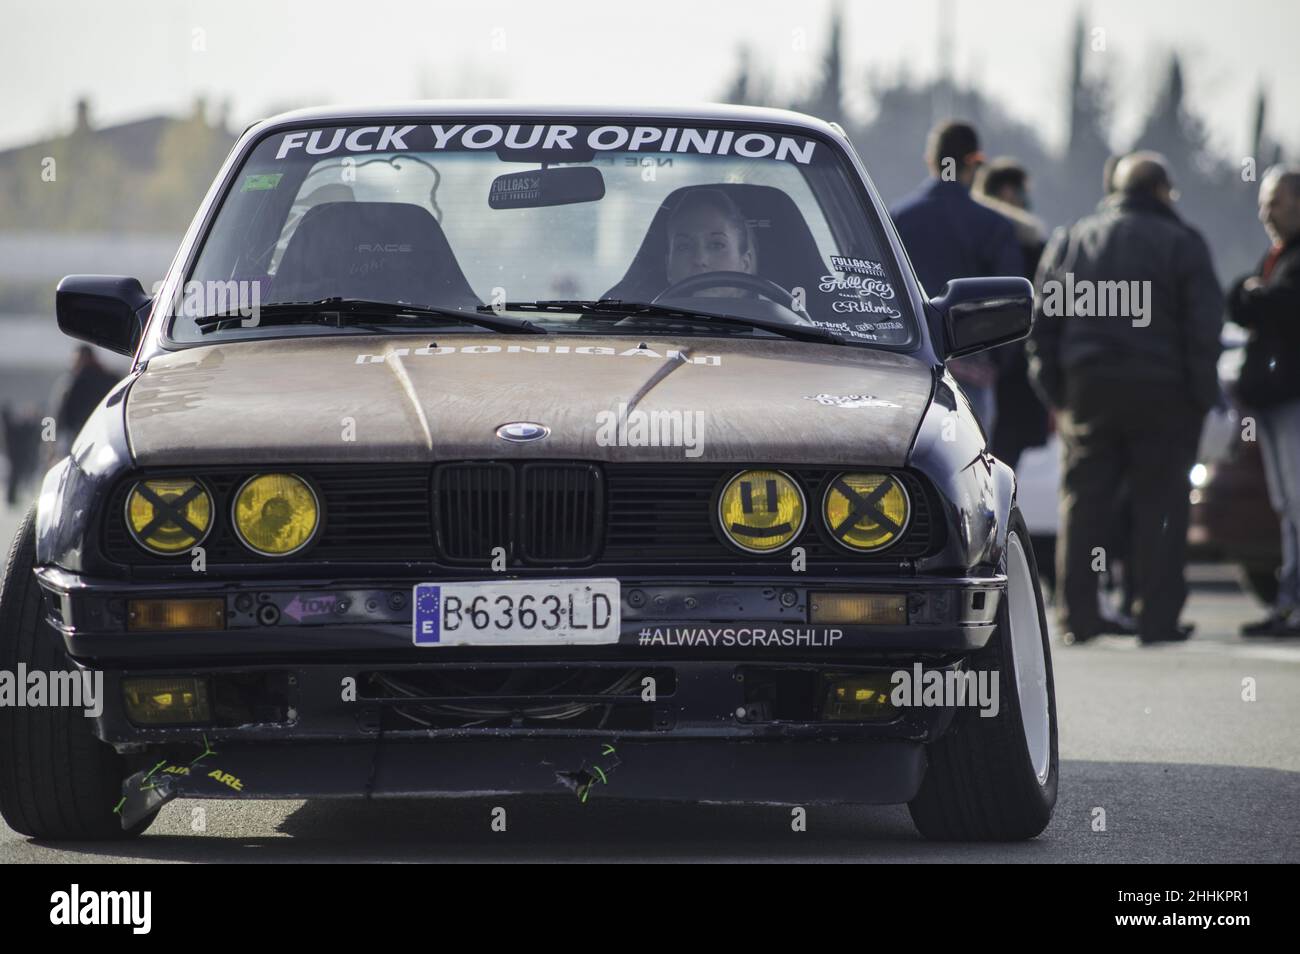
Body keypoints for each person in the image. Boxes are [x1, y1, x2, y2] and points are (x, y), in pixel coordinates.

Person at [1027, 151, 1223, 644]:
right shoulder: (1183, 243)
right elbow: (1204, 329)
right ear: (1162, 191)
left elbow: (1042, 325)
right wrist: (1201, 398)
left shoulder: (1072, 240)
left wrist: (1058, 393)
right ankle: (1156, 619)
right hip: (1163, 392)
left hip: (1089, 389)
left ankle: (1079, 617)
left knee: (1083, 502)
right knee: (1161, 504)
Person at [891, 121, 1022, 437]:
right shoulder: (994, 227)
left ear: (929, 160)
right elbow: (1012, 306)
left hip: (906, 372)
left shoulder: (894, 219)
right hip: (972, 378)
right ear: (975, 162)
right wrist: (995, 365)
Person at [1229, 166, 1300, 637]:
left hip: (1292, 398)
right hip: (1274, 402)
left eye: (1274, 201)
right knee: (1287, 503)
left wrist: (1255, 296)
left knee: (1297, 500)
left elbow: (1278, 307)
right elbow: (1240, 301)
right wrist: (1250, 294)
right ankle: (1289, 604)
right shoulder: (1277, 257)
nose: (1265, 213)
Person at [973, 158, 1050, 470]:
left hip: (966, 367)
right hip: (1015, 378)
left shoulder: (969, 233)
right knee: (1002, 469)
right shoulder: (1028, 242)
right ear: (1007, 192)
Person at [664, 189, 756, 297]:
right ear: (668, 267)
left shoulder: (772, 313)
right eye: (684, 247)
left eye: (717, 245)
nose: (700, 259)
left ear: (745, 264)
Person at [52, 346, 119, 456]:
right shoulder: (111, 379)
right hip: (107, 441)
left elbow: (52, 417)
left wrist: (48, 445)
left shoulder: (70, 384)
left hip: (79, 443)